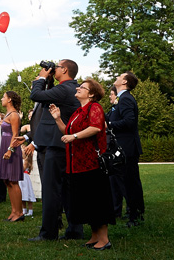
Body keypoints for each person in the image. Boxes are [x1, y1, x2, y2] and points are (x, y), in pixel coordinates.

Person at [49, 78, 115, 250]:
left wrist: (75, 137)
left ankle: (104, 239)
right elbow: (67, 131)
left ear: (91, 94)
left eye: (82, 87)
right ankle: (94, 236)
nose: (78, 88)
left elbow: (96, 128)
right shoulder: (78, 111)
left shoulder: (95, 108)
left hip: (92, 163)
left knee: (96, 202)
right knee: (86, 202)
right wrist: (57, 119)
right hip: (76, 165)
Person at [28, 59, 83, 242]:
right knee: (69, 190)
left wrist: (41, 79)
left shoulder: (64, 89)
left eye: (58, 66)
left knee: (51, 190)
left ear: (65, 70)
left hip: (55, 146)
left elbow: (36, 95)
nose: (55, 68)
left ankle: (48, 233)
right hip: (65, 145)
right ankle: (75, 230)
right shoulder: (71, 89)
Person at [109, 72, 144, 227]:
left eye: (119, 76)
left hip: (127, 148)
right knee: (128, 182)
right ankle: (134, 213)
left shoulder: (126, 99)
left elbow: (129, 122)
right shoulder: (122, 99)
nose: (116, 77)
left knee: (129, 182)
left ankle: (135, 216)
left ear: (124, 81)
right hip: (124, 147)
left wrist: (108, 125)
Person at [0, 92, 25, 221]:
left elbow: (15, 134)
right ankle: (13, 211)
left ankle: (19, 213)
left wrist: (10, 149)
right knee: (7, 180)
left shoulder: (14, 115)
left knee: (13, 180)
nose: (2, 99)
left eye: (3, 97)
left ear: (9, 100)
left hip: (11, 148)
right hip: (5, 146)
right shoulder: (8, 114)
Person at [105, 85, 126, 219]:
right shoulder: (111, 109)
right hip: (111, 148)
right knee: (113, 181)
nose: (110, 97)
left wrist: (109, 124)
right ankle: (115, 209)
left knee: (119, 181)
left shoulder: (119, 108)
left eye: (112, 94)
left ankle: (123, 209)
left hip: (118, 147)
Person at [21, 150, 36, 217]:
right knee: (22, 195)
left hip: (24, 179)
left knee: (27, 194)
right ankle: (24, 209)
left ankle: (30, 210)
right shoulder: (20, 160)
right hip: (20, 180)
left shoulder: (25, 161)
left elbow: (23, 169)